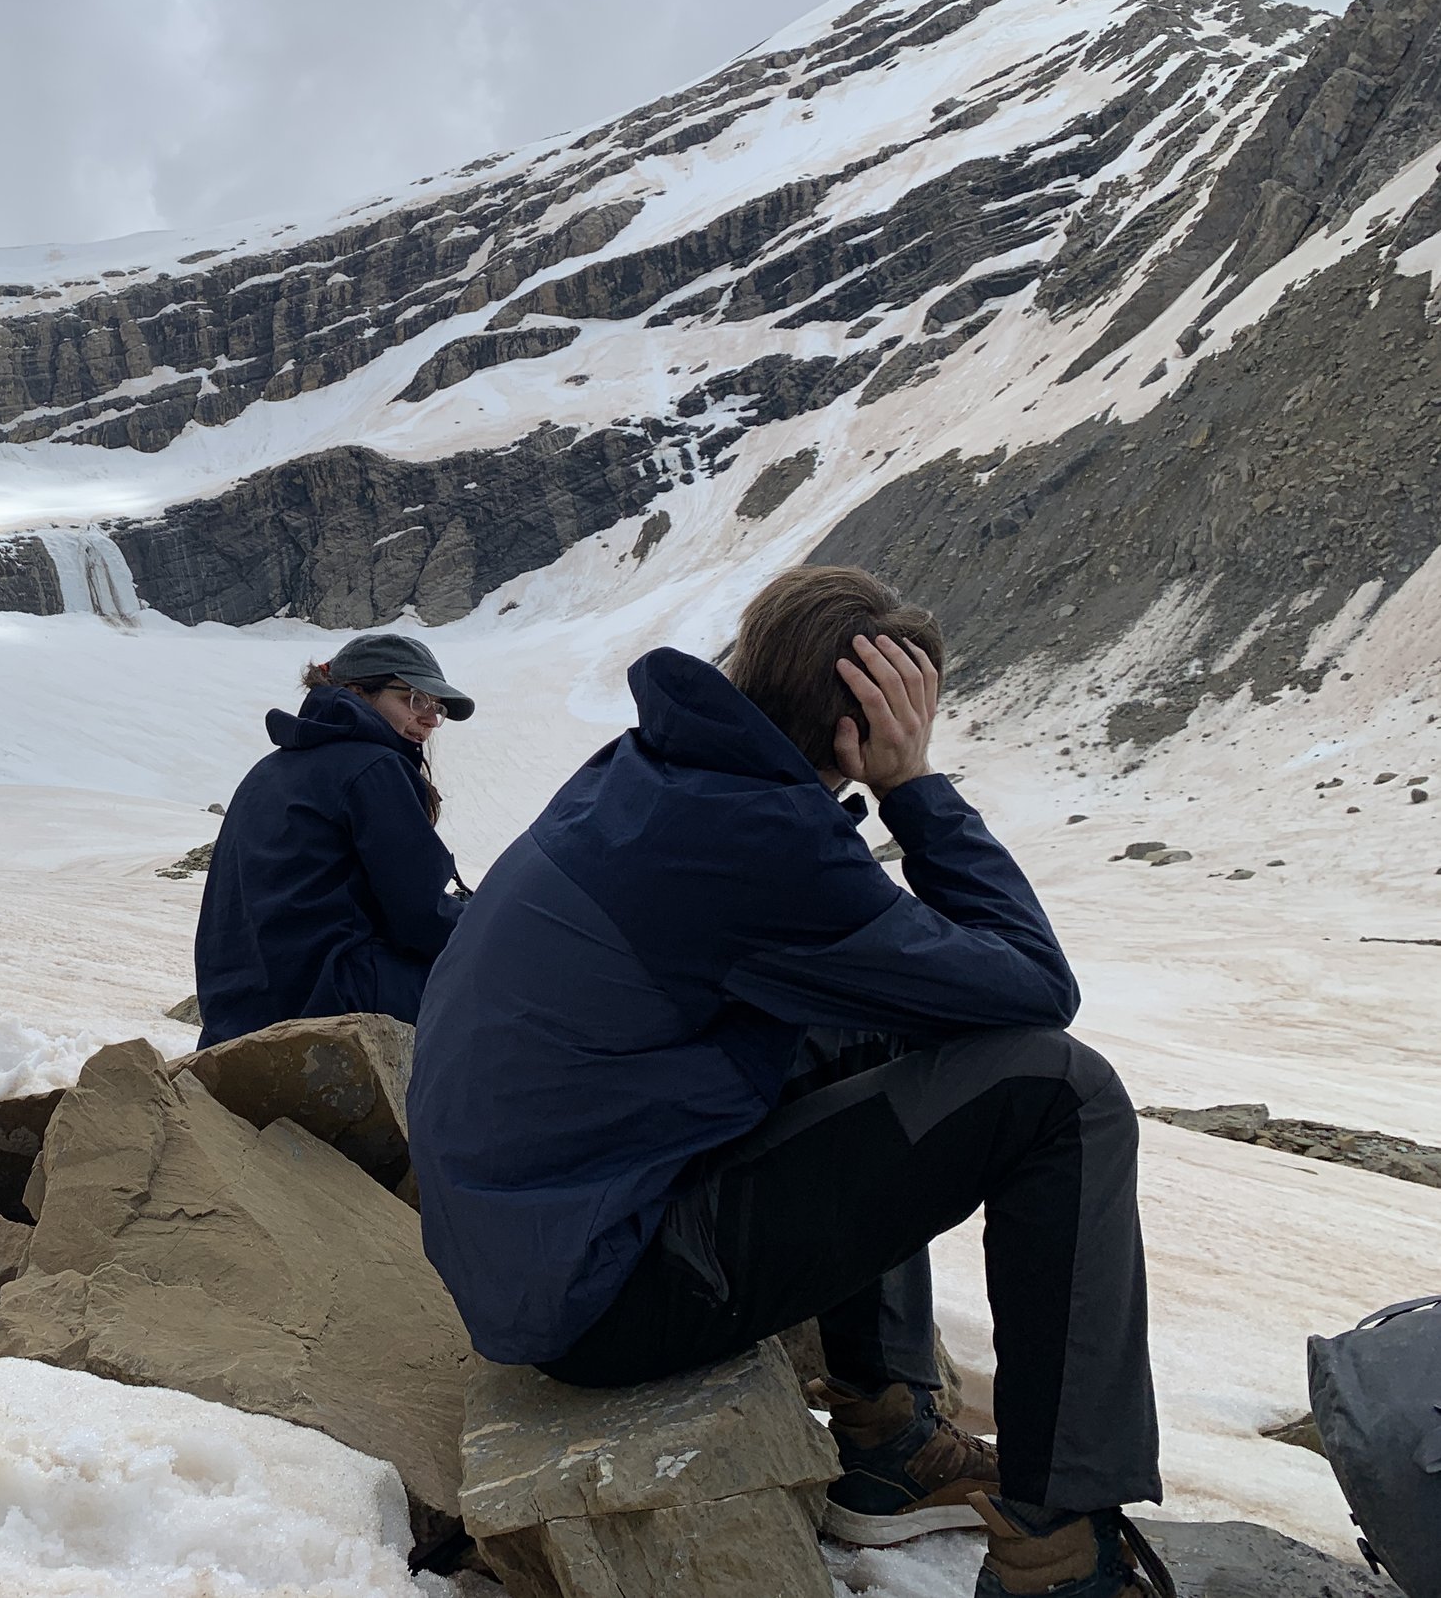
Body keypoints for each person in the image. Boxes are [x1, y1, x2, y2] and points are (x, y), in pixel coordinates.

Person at [407, 568, 1170, 1598]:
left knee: (873, 1021)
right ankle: (1057, 1553)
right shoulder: (759, 838)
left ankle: (887, 1437)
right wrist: (914, 789)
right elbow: (1034, 989)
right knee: (1058, 1094)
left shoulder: (652, 772)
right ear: (862, 733)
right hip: (600, 1296)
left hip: (537, 1251)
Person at [193, 632, 473, 1049]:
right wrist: (488, 920)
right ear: (358, 692)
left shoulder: (268, 770)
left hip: (237, 1018)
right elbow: (421, 919)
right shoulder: (373, 768)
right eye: (414, 699)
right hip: (330, 1000)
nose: (430, 719)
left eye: (437, 707)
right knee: (501, 984)